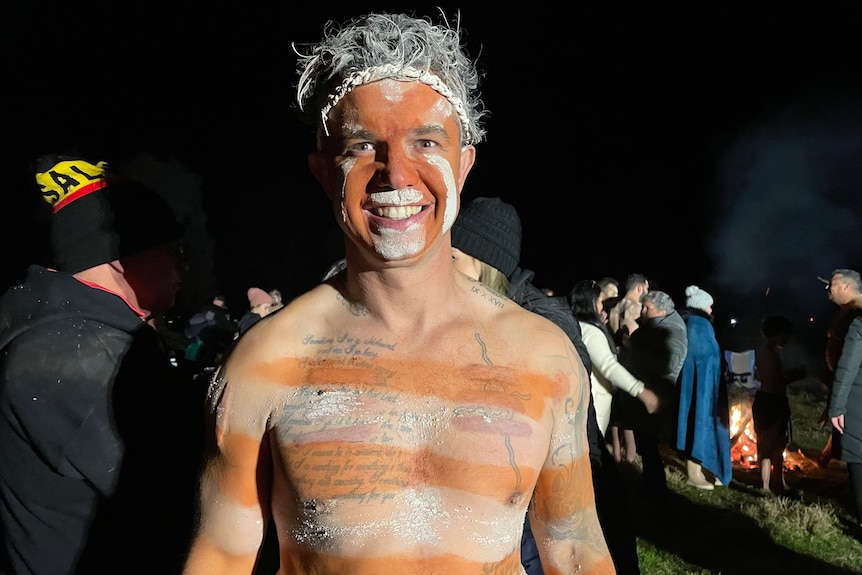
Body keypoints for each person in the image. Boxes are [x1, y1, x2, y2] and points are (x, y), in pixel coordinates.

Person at [182, 13, 614, 575]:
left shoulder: (544, 358)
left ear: (463, 166)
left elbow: (576, 551)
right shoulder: (267, 364)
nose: (398, 174)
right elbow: (221, 555)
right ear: (323, 172)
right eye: (363, 145)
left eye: (426, 141)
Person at [0, 155, 205, 574]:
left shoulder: (64, 333)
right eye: (173, 249)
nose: (183, 267)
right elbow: (181, 494)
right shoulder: (78, 355)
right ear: (120, 255)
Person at [451, 197, 638, 574]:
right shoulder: (473, 315)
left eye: (452, 256)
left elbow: (577, 431)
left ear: (482, 262)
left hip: (544, 501)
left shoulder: (543, 325)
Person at [619, 289, 688, 500]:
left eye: (647, 307)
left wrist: (634, 346)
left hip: (656, 397)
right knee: (646, 445)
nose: (643, 311)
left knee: (648, 446)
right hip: (649, 395)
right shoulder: (656, 326)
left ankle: (655, 492)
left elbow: (669, 363)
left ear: (661, 309)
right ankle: (652, 487)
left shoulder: (671, 330)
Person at [569, 279, 658, 439]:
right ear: (592, 302)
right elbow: (609, 366)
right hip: (595, 402)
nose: (603, 306)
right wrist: (642, 392)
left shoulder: (575, 326)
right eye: (600, 301)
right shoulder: (592, 333)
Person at [675, 285, 732, 490]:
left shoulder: (699, 324)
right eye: (709, 306)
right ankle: (694, 472)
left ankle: (708, 467)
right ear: (700, 306)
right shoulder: (697, 325)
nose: (711, 310)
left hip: (707, 385)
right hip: (700, 387)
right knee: (697, 421)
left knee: (704, 421)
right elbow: (700, 356)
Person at [752, 315, 806, 495]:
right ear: (778, 334)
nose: (788, 339)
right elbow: (774, 380)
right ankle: (766, 487)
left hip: (772, 401)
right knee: (767, 446)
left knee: (778, 445)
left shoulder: (768, 352)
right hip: (770, 402)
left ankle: (778, 483)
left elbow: (765, 376)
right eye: (786, 335)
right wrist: (796, 375)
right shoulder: (767, 353)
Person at [819, 269, 862, 468]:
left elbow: (848, 366)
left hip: (855, 395)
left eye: (833, 284)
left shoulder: (858, 318)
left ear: (846, 286)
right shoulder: (849, 313)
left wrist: (836, 406)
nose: (828, 288)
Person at [184, 293, 237, 373]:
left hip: (197, 343)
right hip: (206, 344)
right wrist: (236, 325)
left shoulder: (205, 310)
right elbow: (225, 325)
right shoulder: (217, 313)